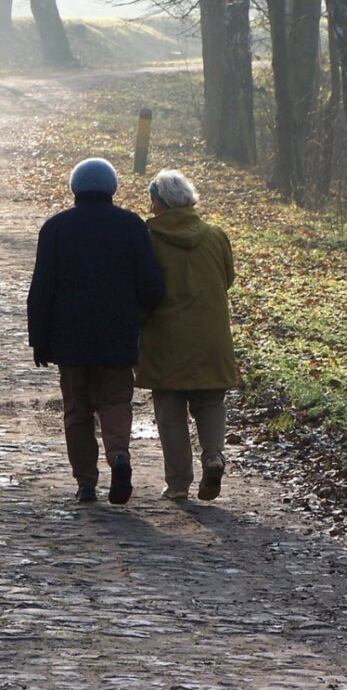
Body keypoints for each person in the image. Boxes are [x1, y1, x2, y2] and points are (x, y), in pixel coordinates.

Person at [28, 158, 165, 504]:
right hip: (117, 333)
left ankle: (86, 482)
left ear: (75, 188)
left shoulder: (56, 227)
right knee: (116, 401)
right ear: (112, 188)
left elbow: (41, 289)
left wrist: (40, 341)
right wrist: (139, 317)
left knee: (77, 410)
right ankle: (119, 457)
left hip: (69, 336)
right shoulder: (132, 226)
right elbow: (151, 284)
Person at [135, 170, 240, 501]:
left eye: (153, 201)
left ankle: (178, 483)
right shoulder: (215, 235)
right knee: (210, 401)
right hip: (212, 335)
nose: (150, 208)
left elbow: (143, 287)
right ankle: (213, 455)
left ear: (160, 203)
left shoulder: (149, 238)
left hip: (166, 336)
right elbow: (227, 278)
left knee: (170, 407)